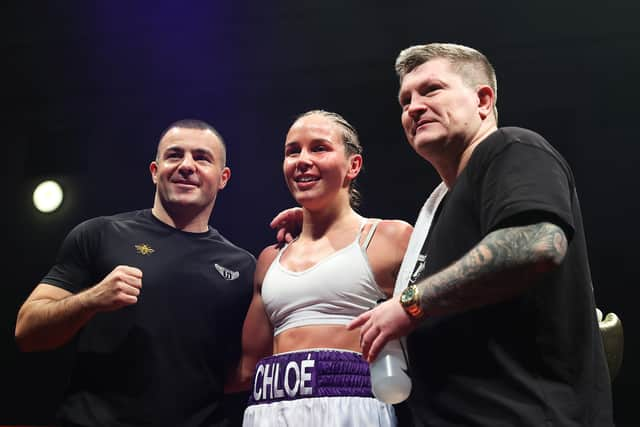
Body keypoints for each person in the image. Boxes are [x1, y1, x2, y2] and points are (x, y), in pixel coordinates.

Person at [274, 43, 614, 426]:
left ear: (483, 100)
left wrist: (410, 304)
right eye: (405, 101)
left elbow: (537, 242)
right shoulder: (438, 210)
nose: (414, 107)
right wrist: (318, 223)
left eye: (431, 90)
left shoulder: (512, 149)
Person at [15, 119, 256, 427]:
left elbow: (244, 371)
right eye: (174, 155)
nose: (186, 165)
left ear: (223, 178)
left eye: (201, 157)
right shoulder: (100, 234)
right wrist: (91, 300)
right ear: (155, 171)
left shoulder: (242, 267)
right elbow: (27, 331)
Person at [230, 110, 413, 426]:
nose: (302, 159)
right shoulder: (270, 259)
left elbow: (442, 317)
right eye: (292, 151)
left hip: (352, 407)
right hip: (267, 409)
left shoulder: (389, 238)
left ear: (352, 165)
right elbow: (248, 368)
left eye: (318, 148)